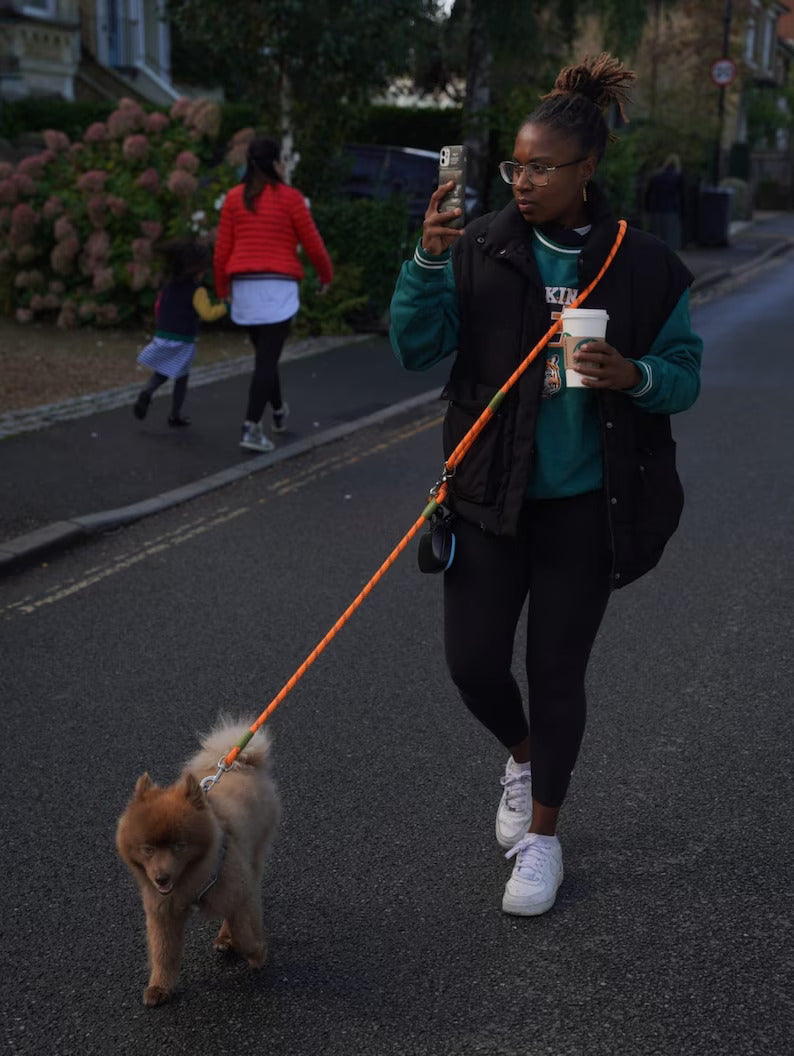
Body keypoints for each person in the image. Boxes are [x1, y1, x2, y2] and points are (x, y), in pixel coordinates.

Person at [389, 54, 702, 917]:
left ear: (587, 169)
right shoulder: (480, 243)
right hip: (489, 494)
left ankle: (545, 839)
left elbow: (684, 373)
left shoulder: (643, 265)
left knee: (558, 669)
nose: (522, 182)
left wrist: (633, 373)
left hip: (586, 504)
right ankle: (522, 759)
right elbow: (414, 349)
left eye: (540, 168)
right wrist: (424, 261)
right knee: (474, 663)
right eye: (513, 166)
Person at [213, 136, 334, 453]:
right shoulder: (290, 198)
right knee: (267, 360)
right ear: (274, 163)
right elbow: (313, 244)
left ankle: (278, 411)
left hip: (244, 287)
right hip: (278, 287)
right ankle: (251, 427)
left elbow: (221, 250)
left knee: (265, 358)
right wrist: (325, 277)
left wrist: (222, 289)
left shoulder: (233, 198)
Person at [133, 240, 227, 427]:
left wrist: (163, 325)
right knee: (181, 378)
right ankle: (174, 415)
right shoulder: (197, 291)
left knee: (161, 371)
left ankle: (147, 392)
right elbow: (207, 314)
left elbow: (158, 306)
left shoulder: (168, 287)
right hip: (183, 339)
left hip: (163, 334)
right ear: (197, 269)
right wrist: (227, 307)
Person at [645, 154, 685, 250]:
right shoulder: (677, 176)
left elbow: (648, 193)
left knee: (657, 235)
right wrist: (683, 211)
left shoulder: (657, 176)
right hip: (671, 209)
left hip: (657, 208)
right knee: (670, 237)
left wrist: (648, 208)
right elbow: (682, 195)